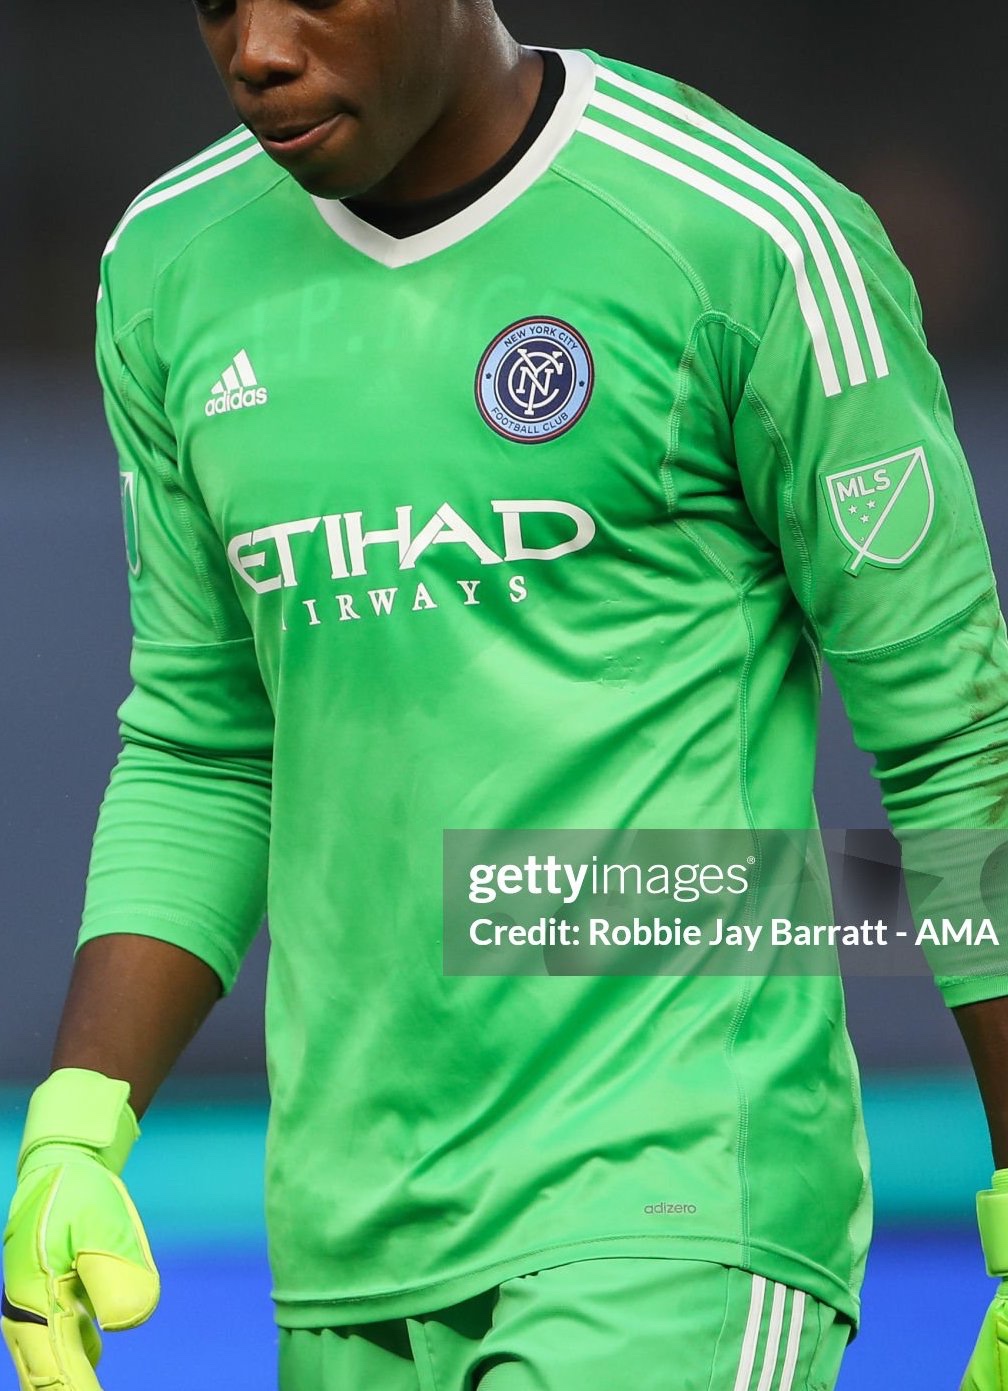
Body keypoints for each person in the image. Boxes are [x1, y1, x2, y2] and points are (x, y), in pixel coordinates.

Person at [3, 3, 1008, 1388]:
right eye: (219, 2)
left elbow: (962, 755)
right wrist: (74, 1124)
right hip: (348, 1233)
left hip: (676, 1207)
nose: (260, 49)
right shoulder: (168, 265)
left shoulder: (744, 236)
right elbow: (204, 744)